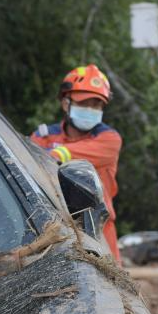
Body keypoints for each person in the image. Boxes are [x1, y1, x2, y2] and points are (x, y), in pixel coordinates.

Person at [31, 64, 123, 263]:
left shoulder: (109, 139)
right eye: (84, 103)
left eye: (96, 105)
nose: (90, 109)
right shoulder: (43, 136)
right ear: (66, 104)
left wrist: (54, 153)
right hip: (52, 230)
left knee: (111, 278)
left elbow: (48, 156)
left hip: (100, 231)